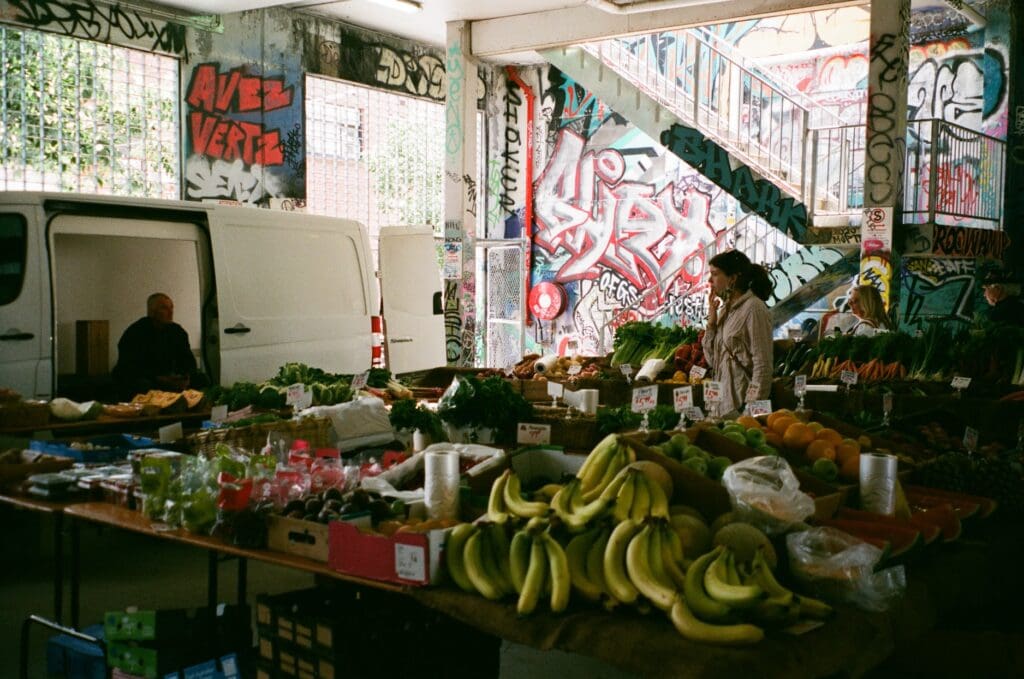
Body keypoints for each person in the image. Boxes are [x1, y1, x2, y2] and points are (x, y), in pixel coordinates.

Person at [703, 250, 774, 418]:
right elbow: (712, 360)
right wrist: (711, 324)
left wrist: (750, 410)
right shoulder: (725, 310)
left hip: (740, 410)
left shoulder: (754, 308)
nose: (710, 280)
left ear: (733, 279)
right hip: (721, 408)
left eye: (715, 274)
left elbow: (762, 365)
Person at [112, 293, 201, 398]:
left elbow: (187, 359)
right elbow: (130, 366)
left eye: (171, 307)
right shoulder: (135, 332)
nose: (170, 312)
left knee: (201, 379)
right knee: (142, 385)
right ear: (151, 312)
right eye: (164, 308)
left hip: (170, 377)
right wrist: (159, 378)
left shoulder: (177, 332)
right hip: (145, 377)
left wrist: (185, 376)